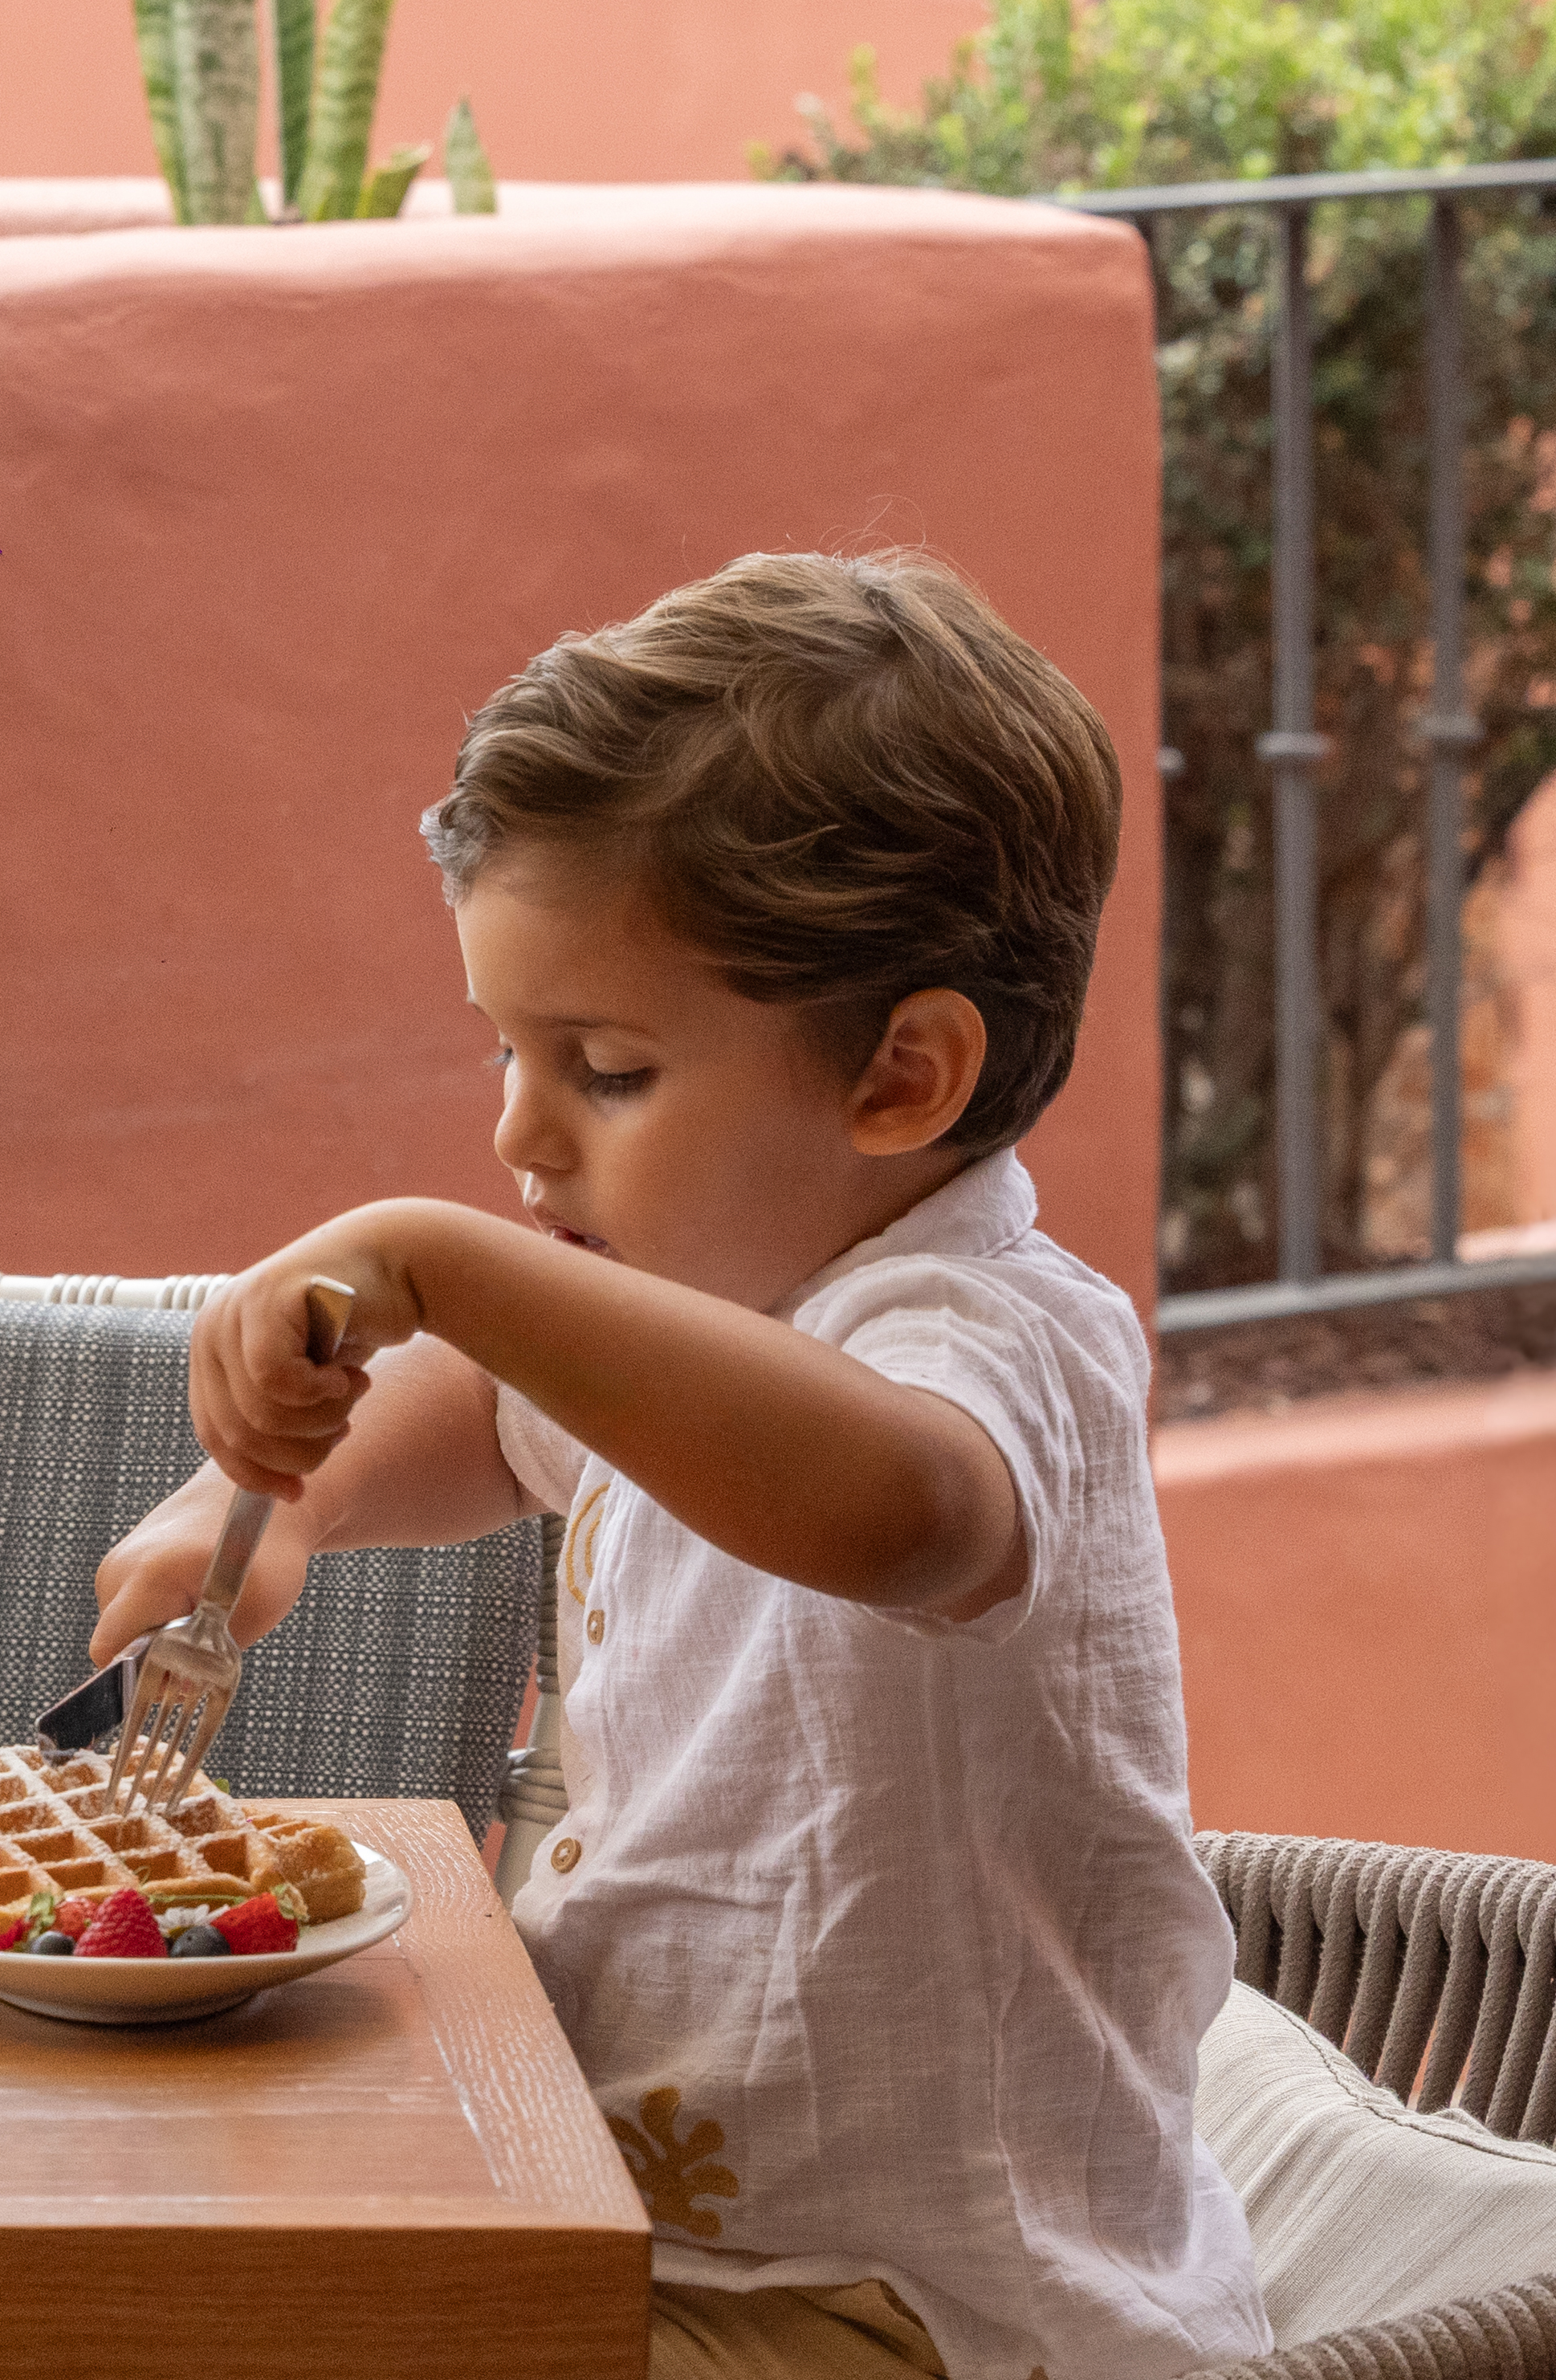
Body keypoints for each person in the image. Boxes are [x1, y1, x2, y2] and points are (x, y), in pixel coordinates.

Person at [97, 554, 1257, 2380]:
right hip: (631, 2233)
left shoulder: (990, 1335)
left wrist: (449, 1256)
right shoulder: (701, 1300)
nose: (515, 1127)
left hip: (920, 2307)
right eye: (506, 1047)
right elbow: (492, 1406)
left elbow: (898, 1510)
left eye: (610, 1068)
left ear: (902, 1077)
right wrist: (276, 1496)